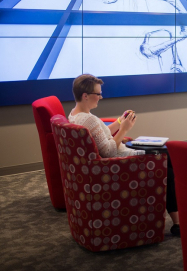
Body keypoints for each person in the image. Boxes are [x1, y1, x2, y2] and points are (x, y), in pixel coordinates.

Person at [68, 74, 181, 237]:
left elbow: (103, 134)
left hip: (118, 156)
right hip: (121, 162)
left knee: (169, 159)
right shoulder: (88, 120)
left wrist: (121, 121)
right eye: (98, 94)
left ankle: (178, 221)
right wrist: (124, 130)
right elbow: (108, 152)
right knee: (169, 164)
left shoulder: (75, 115)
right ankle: (180, 218)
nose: (101, 97)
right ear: (85, 96)